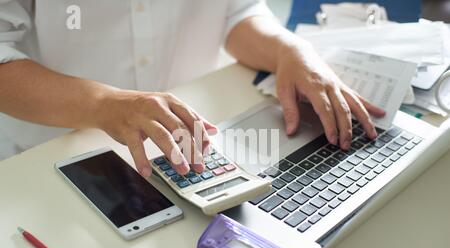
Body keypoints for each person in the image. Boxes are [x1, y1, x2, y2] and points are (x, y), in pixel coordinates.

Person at [0, 0, 385, 177]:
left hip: (195, 145)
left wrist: (289, 51)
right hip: (56, 155)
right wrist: (105, 104)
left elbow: (234, 12)